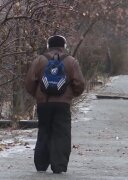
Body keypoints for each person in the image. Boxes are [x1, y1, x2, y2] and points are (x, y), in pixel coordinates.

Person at [25, 35, 85, 174]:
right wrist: (70, 95)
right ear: (64, 46)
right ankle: (59, 166)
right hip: (62, 104)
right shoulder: (71, 61)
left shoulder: (39, 60)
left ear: (48, 45)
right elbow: (80, 84)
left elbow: (29, 83)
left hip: (43, 104)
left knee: (44, 130)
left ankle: (41, 164)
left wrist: (38, 95)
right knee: (62, 133)